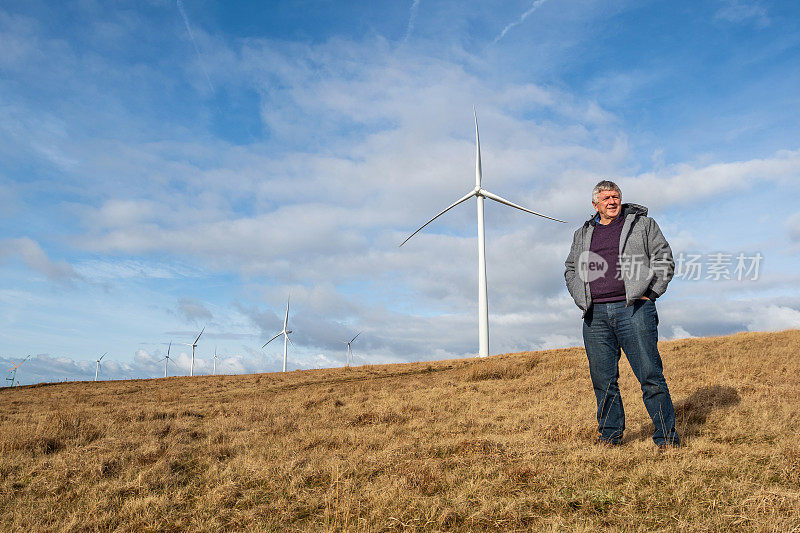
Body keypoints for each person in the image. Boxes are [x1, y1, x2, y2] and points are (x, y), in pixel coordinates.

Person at [564, 180, 680, 448]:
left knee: (650, 376)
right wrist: (580, 296)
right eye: (605, 198)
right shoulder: (582, 234)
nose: (612, 202)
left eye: (615, 196)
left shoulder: (643, 225)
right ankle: (610, 436)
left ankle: (666, 439)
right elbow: (571, 268)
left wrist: (651, 293)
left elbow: (664, 258)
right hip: (595, 316)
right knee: (603, 381)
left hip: (634, 310)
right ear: (595, 204)